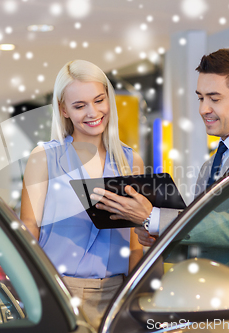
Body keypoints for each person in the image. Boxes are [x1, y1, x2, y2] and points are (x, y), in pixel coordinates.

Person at [90, 48, 229, 290]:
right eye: (201, 98)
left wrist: (155, 217)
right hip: (209, 299)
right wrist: (158, 235)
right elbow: (205, 237)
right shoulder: (210, 164)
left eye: (215, 98)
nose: (203, 109)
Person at [20, 59, 144, 328]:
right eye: (80, 106)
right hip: (59, 291)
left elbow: (136, 245)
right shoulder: (45, 157)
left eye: (99, 100)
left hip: (116, 295)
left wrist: (133, 297)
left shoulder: (130, 161)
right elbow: (29, 226)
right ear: (63, 109)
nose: (93, 112)